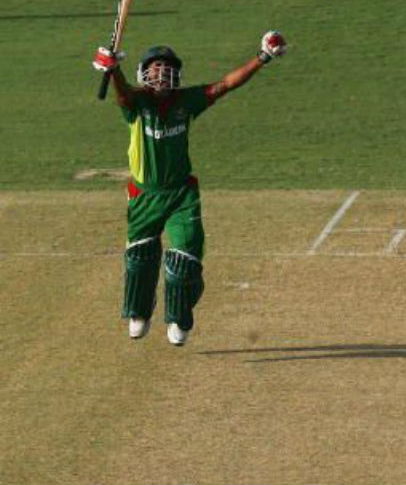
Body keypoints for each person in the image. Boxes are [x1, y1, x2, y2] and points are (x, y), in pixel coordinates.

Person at [91, 31, 287, 345]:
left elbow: (225, 85)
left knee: (182, 263)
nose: (161, 72)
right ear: (144, 72)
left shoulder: (186, 101)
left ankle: (179, 317)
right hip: (144, 195)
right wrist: (113, 70)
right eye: (155, 66)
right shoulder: (137, 102)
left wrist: (262, 56)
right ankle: (139, 311)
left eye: (167, 66)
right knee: (139, 258)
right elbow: (123, 96)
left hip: (181, 194)